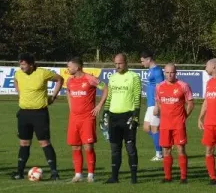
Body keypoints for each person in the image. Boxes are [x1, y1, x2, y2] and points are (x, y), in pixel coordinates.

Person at [12, 53, 64, 180]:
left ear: (31, 64)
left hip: (39, 113)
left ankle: (54, 172)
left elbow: (60, 79)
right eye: (20, 64)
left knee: (44, 142)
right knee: (24, 143)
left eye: (23, 64)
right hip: (24, 113)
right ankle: (19, 172)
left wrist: (53, 97)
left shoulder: (42, 73)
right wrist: (20, 93)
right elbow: (16, 80)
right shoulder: (18, 73)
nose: (21, 67)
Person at [65, 57, 108, 183]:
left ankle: (90, 175)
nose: (68, 69)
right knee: (75, 147)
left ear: (77, 67)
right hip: (74, 118)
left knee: (88, 146)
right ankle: (78, 174)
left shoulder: (90, 79)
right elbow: (68, 92)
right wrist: (71, 107)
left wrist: (99, 105)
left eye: (69, 66)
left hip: (87, 118)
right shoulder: (69, 81)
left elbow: (105, 88)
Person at [103, 53, 142, 184]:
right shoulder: (112, 78)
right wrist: (105, 112)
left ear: (126, 63)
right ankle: (114, 177)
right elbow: (109, 97)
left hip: (128, 116)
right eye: (116, 63)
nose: (118, 66)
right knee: (115, 148)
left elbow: (137, 97)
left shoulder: (134, 77)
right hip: (114, 117)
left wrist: (136, 115)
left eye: (120, 63)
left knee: (130, 148)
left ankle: (134, 177)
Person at [154, 64, 194, 184]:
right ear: (164, 73)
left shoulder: (183, 86)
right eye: (167, 73)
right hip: (165, 124)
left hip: (178, 124)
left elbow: (190, 104)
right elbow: (159, 102)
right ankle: (167, 177)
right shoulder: (159, 87)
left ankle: (183, 177)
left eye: (172, 72)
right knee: (166, 150)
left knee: (180, 149)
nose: (169, 75)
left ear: (176, 73)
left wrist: (184, 117)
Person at [140, 51, 165, 161]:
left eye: (142, 61)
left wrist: (157, 105)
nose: (142, 63)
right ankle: (163, 142)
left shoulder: (157, 71)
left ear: (148, 59)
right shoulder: (151, 70)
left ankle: (159, 154)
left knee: (154, 128)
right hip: (150, 104)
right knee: (146, 128)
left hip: (155, 104)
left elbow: (161, 88)